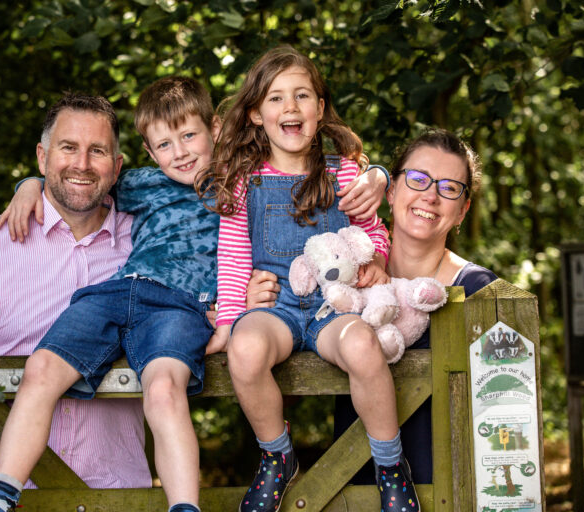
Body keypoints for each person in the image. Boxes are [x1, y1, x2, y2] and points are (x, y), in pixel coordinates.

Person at [0, 76, 228, 512]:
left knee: (164, 390)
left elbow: (273, 236)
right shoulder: (145, 183)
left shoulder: (243, 185)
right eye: (165, 145)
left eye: (189, 136)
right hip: (120, 289)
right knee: (41, 366)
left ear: (217, 130)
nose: (181, 152)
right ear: (149, 154)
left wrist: (234, 314)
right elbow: (80, 180)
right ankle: (1, 493)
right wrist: (29, 184)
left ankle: (185, 507)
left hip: (182, 308)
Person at [196, 45, 417, 512]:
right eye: (275, 98)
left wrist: (376, 257)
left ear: (320, 108)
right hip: (273, 306)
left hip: (333, 306)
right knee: (245, 349)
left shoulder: (346, 172)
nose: (290, 107)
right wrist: (229, 320)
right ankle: (277, 455)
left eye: (302, 95)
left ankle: (390, 465)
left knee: (363, 346)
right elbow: (234, 256)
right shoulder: (244, 178)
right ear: (256, 113)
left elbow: (372, 232)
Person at [0, 94, 152, 495]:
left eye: (97, 151)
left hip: (115, 493)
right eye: (68, 147)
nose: (82, 164)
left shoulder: (147, 244)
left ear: (117, 166)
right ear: (42, 157)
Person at [332, 129, 497, 485]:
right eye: (418, 179)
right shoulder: (345, 274)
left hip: (450, 492)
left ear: (463, 210)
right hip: (350, 487)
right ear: (390, 191)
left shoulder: (479, 292)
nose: (431, 196)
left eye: (450, 187)